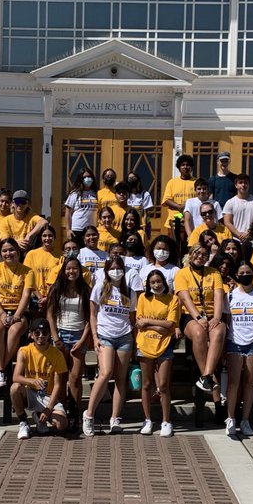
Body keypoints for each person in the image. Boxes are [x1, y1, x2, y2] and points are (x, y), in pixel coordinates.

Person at [83, 255, 136, 437]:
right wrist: (94, 337)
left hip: (125, 337)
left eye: (119, 268)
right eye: (112, 268)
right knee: (106, 373)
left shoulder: (129, 291)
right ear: (106, 271)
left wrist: (135, 341)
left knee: (121, 379)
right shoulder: (100, 288)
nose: (116, 272)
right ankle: (89, 414)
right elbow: (92, 315)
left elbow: (132, 318)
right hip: (105, 335)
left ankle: (115, 418)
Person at [224, 261, 253, 439]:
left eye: (248, 271)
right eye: (241, 271)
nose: (245, 274)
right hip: (234, 342)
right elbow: (227, 321)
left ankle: (245, 419)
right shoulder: (230, 296)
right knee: (233, 382)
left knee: (250, 381)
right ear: (236, 274)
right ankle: (231, 418)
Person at [135, 268, 181, 437]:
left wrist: (148, 322)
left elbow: (170, 324)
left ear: (164, 282)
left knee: (163, 385)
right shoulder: (142, 298)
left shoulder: (173, 299)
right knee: (146, 384)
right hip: (145, 344)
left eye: (158, 281)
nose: (155, 285)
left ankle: (166, 421)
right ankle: (147, 419)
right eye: (152, 282)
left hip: (165, 344)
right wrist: (156, 325)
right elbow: (139, 323)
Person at [0, 237, 34, 388]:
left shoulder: (28, 271)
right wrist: (2, 314)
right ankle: (1, 371)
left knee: (14, 330)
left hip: (19, 310)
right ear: (0, 253)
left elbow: (26, 295)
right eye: (4, 251)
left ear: (18, 252)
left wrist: (17, 315)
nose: (8, 253)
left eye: (11, 250)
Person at [10, 318, 71, 438]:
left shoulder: (57, 354)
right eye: (37, 333)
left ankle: (39, 417)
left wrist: (48, 409)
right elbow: (16, 377)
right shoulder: (24, 351)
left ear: (49, 335)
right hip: (31, 392)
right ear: (31, 335)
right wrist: (32, 381)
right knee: (14, 388)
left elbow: (58, 385)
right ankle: (23, 422)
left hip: (48, 396)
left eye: (44, 333)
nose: (41, 336)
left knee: (61, 424)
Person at [47, 256, 92, 413]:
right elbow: (50, 315)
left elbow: (90, 319)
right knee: (61, 376)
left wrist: (82, 340)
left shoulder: (86, 290)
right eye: (68, 268)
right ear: (63, 270)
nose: (71, 271)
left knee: (75, 377)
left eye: (75, 268)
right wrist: (55, 338)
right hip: (60, 334)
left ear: (80, 271)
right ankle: (62, 410)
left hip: (79, 336)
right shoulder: (56, 289)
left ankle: (75, 412)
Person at [24, 225, 62, 311]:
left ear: (54, 237)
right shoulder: (31, 254)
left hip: (54, 297)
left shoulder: (61, 255)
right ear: (40, 238)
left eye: (50, 235)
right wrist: (39, 297)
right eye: (44, 236)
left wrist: (49, 297)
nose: (47, 238)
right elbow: (27, 277)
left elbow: (61, 279)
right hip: (36, 297)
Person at [222, 173, 253, 243]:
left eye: (245, 183)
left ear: (249, 185)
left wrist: (248, 232)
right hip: (235, 240)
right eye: (240, 183)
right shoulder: (230, 202)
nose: (243, 185)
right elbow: (227, 222)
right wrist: (239, 235)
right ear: (236, 185)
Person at [159, 155, 196, 234]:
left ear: (191, 168)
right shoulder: (172, 182)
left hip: (192, 221)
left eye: (188, 165)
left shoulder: (196, 183)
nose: (185, 167)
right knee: (174, 245)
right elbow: (166, 200)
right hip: (174, 220)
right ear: (179, 168)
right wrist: (179, 207)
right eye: (183, 165)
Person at [63, 168, 98, 243]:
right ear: (80, 179)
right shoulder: (74, 194)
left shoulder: (96, 193)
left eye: (89, 176)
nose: (87, 179)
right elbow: (68, 212)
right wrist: (68, 230)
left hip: (91, 230)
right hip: (77, 229)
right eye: (84, 177)